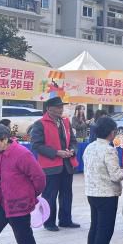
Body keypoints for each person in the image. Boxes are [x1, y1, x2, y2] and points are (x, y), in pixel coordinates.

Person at [83, 117, 123, 244]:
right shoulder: (109, 150)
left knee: (95, 228)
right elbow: (115, 175)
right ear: (112, 132)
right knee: (104, 231)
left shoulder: (90, 147)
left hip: (92, 193)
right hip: (107, 195)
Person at [31, 96, 79, 232]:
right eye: (58, 107)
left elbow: (73, 141)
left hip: (67, 164)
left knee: (66, 194)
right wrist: (56, 153)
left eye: (61, 106)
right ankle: (49, 222)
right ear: (48, 109)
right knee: (49, 195)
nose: (61, 109)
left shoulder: (65, 122)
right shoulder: (40, 124)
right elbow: (36, 145)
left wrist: (72, 151)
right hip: (50, 166)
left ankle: (65, 220)